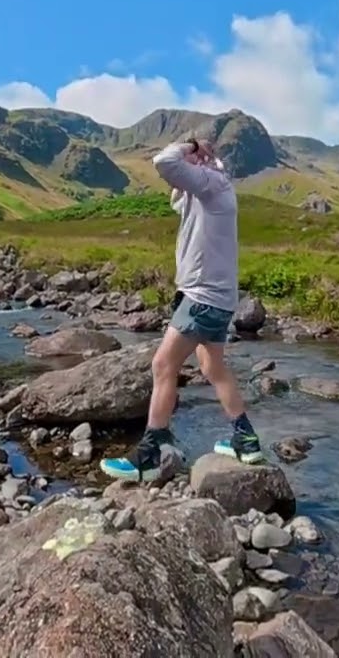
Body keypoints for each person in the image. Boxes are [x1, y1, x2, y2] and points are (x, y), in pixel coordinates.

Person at [99, 135, 265, 482]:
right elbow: (176, 195)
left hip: (202, 297)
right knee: (212, 366)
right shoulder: (214, 190)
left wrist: (189, 146)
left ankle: (150, 454)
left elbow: (164, 163)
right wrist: (194, 163)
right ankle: (246, 439)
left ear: (203, 163)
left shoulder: (211, 183)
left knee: (163, 365)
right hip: (216, 297)